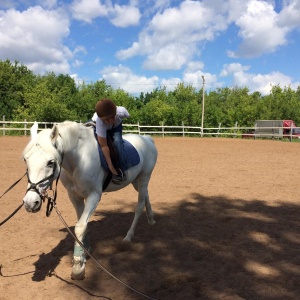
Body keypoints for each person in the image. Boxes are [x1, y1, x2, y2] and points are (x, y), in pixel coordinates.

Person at [93, 98, 130, 184]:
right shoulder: (99, 122)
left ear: (116, 113)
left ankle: (122, 171)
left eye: (112, 117)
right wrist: (110, 166)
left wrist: (114, 167)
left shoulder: (122, 112)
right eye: (107, 119)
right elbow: (104, 146)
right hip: (102, 126)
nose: (110, 121)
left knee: (117, 142)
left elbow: (127, 116)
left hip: (116, 126)